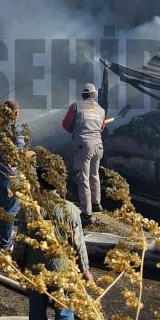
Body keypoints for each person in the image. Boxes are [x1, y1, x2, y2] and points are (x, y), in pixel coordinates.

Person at [15, 163, 92, 320]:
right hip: (63, 269)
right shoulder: (71, 210)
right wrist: (85, 269)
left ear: (38, 184)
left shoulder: (28, 209)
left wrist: (17, 263)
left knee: (36, 310)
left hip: (34, 269)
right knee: (64, 310)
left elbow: (21, 242)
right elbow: (78, 244)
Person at [0, 100, 33, 251]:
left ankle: (4, 236)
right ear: (16, 113)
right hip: (10, 175)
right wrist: (32, 153)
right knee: (11, 208)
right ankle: (6, 244)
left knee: (1, 204)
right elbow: (20, 154)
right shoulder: (15, 130)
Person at [61, 83, 105, 227]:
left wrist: (74, 129)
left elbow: (66, 124)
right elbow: (102, 127)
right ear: (94, 95)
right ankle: (96, 203)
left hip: (83, 146)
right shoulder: (100, 109)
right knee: (95, 174)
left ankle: (86, 212)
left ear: (83, 95)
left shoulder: (76, 106)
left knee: (83, 177)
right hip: (98, 146)